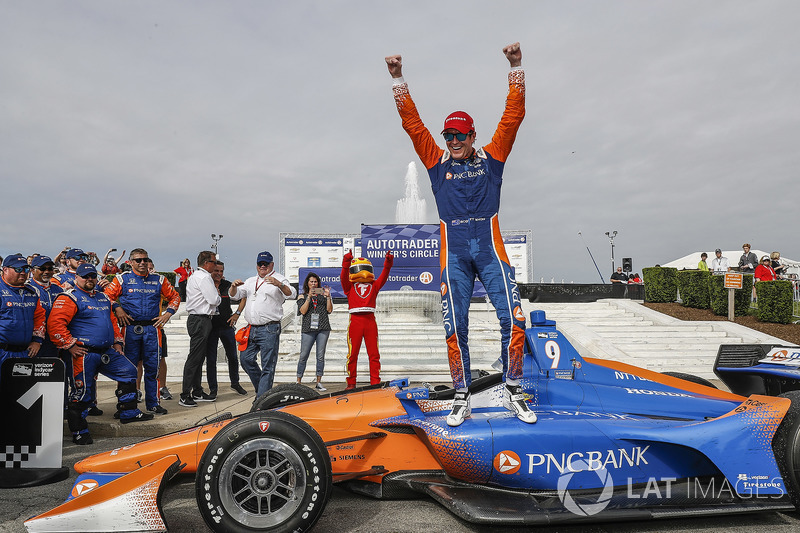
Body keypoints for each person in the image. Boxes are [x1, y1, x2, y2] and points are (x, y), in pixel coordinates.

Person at [386, 42, 535, 426]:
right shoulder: (436, 163)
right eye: (447, 135)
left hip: (490, 250)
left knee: (515, 321)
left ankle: (514, 389)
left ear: (472, 135)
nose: (452, 141)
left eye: (459, 135)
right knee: (456, 327)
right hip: (453, 255)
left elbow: (513, 116)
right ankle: (462, 395)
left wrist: (516, 66)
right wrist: (398, 79)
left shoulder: (493, 156)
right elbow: (412, 125)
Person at [49, 264, 153, 444]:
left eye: (92, 276)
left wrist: (118, 343)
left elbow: (113, 322)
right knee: (82, 392)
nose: (89, 279)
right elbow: (55, 325)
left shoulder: (103, 297)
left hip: (107, 351)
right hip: (82, 353)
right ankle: (79, 431)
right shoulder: (69, 298)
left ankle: (128, 412)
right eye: (85, 276)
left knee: (128, 371)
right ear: (77, 278)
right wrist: (69, 345)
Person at [104, 249, 181, 415]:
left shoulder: (159, 279)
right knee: (128, 368)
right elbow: (105, 296)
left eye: (145, 260)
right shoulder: (121, 279)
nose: (142, 263)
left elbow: (175, 297)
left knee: (153, 368)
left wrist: (168, 314)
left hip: (152, 330)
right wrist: (117, 308)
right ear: (131, 262)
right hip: (129, 329)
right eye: (138, 260)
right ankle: (126, 404)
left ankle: (153, 403)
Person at [229, 251, 296, 397]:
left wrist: (279, 284)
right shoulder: (251, 280)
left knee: (268, 366)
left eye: (266, 264)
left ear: (272, 264)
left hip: (269, 328)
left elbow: (292, 293)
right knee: (246, 359)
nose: (263, 266)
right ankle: (264, 394)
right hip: (252, 328)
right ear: (257, 265)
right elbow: (235, 295)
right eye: (260, 264)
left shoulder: (279, 278)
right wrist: (233, 286)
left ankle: (261, 400)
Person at [340, 252, 392, 389]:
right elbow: (343, 277)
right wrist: (346, 262)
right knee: (352, 354)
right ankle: (351, 383)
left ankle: (375, 382)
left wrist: (388, 263)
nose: (362, 272)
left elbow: (384, 276)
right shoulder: (349, 286)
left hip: (370, 320)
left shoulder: (374, 285)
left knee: (374, 354)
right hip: (355, 321)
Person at [179, 251, 220, 407]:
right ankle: (185, 394)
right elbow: (213, 299)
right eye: (214, 262)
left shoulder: (196, 276)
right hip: (201, 319)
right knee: (195, 358)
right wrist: (216, 295)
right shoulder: (204, 277)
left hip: (199, 319)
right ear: (206, 263)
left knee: (198, 357)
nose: (215, 266)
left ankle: (196, 391)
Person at [206, 261, 247, 396]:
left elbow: (243, 297)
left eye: (221, 271)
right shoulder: (206, 284)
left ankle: (235, 383)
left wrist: (237, 314)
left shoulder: (228, 285)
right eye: (216, 271)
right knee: (211, 360)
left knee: (233, 357)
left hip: (227, 326)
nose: (218, 273)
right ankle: (213, 389)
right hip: (210, 327)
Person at [0, 254, 46, 368]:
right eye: (18, 269)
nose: (23, 272)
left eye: (26, 269)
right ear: (5, 270)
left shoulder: (32, 292)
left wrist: (37, 340)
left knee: (21, 386)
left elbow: (39, 318)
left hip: (25, 353)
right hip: (2, 352)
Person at [296, 272, 333, 391]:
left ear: (318, 283)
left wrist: (328, 297)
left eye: (315, 282)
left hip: (323, 327)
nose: (313, 284)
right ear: (307, 283)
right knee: (303, 355)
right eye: (311, 281)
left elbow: (329, 310)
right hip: (308, 329)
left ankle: (318, 382)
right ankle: (298, 381)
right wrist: (309, 297)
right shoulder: (302, 296)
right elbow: (303, 311)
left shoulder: (322, 294)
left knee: (320, 356)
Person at [25, 255, 63, 358]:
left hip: (54, 342)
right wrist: (35, 339)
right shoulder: (26, 288)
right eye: (42, 269)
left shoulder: (59, 290)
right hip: (31, 342)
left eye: (50, 268)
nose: (47, 272)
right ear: (32, 270)